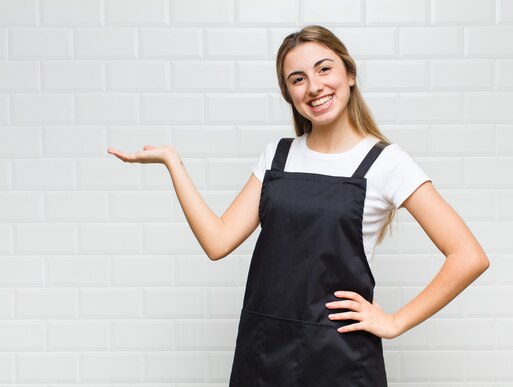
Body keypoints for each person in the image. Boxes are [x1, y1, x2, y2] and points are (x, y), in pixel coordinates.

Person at [108, 24, 490, 387]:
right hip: (263, 350)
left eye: (324, 69)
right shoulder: (278, 157)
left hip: (339, 357)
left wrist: (394, 321)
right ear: (288, 92)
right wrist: (174, 163)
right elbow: (217, 242)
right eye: (298, 78)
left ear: (350, 73)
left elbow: (468, 255)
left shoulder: (387, 162)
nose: (314, 87)